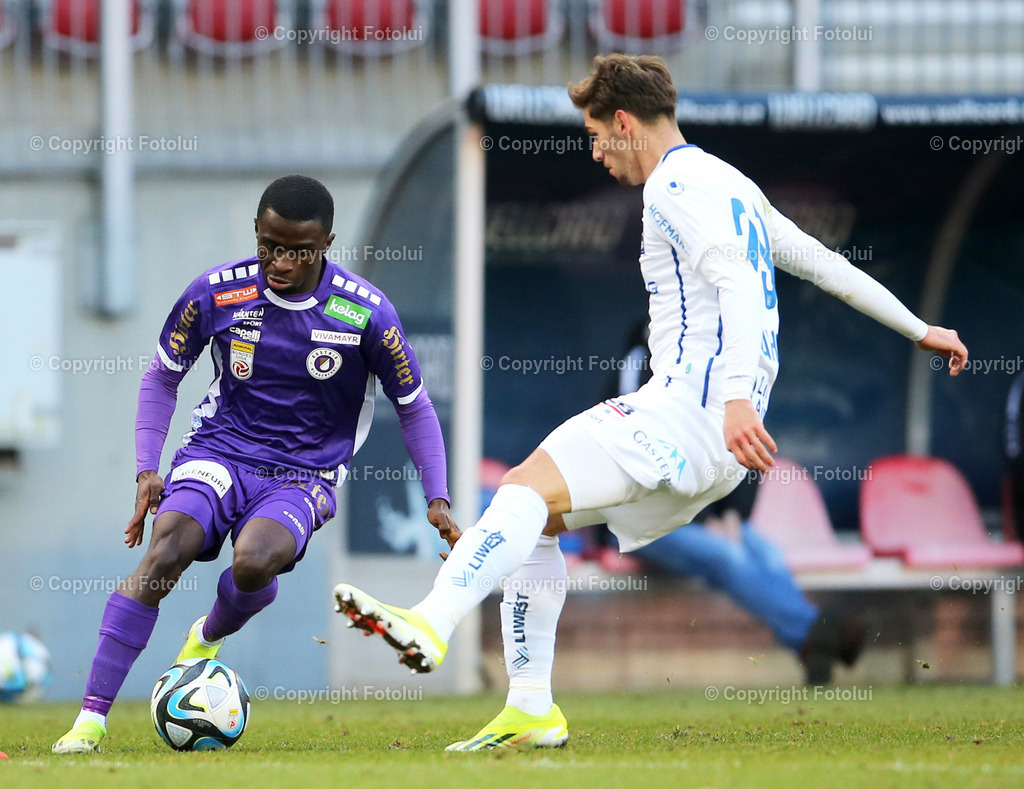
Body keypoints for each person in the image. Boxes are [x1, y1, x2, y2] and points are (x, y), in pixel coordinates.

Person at [333, 54, 969, 751]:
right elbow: (821, 261)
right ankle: (530, 707)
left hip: (686, 415)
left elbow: (732, 286)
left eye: (598, 135)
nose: (597, 152)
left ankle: (432, 618)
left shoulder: (673, 185)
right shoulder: (729, 182)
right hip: (709, 446)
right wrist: (919, 327)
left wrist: (731, 400)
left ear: (626, 122)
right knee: (537, 512)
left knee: (520, 486)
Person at [52, 175, 457, 754]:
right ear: (258, 234)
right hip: (220, 450)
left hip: (304, 473)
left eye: (299, 250)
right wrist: (147, 468)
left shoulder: (366, 312)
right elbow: (163, 376)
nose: (280, 262)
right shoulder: (217, 292)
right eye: (270, 245)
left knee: (254, 562)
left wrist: (437, 499)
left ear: (327, 244)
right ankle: (89, 721)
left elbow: (415, 410)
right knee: (166, 549)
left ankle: (205, 636)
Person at [618, 319, 866, 684]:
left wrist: (731, 514)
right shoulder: (644, 359)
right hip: (636, 519)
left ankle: (810, 641)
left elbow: (741, 443)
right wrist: (703, 517)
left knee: (765, 552)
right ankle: (815, 634)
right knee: (726, 555)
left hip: (697, 513)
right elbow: (641, 454)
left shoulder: (718, 364)